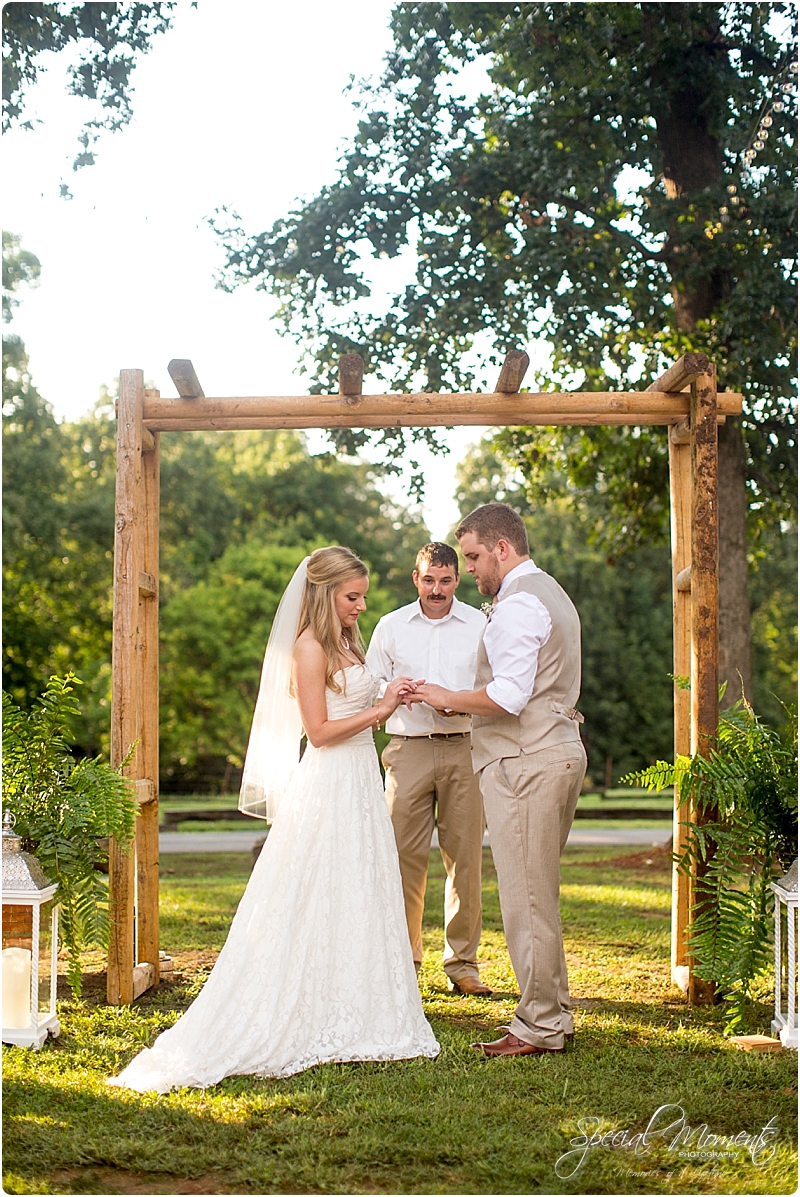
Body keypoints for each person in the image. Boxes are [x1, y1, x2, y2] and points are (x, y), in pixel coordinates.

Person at [108, 546, 439, 1093]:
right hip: (330, 781)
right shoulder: (308, 647)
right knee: (309, 894)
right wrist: (381, 711)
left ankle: (360, 1005)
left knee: (359, 890)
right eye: (352, 597)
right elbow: (320, 730)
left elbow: (349, 704)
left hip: (360, 782)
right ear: (324, 593)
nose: (361, 606)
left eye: (361, 596)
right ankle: (298, 1004)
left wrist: (389, 691)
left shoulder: (346, 641)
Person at [409, 504, 586, 1058]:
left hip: (525, 762)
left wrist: (443, 697)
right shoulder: (549, 592)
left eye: (474, 557)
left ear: (502, 549)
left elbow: (508, 696)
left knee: (526, 900)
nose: (472, 571)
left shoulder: (516, 604)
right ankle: (553, 1016)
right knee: (539, 895)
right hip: (550, 752)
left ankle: (538, 1026)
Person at [366, 542, 489, 995]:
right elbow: (370, 681)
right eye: (428, 580)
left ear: (457, 579)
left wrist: (455, 702)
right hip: (408, 748)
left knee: (465, 859)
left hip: (467, 748)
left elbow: (495, 685)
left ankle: (462, 965)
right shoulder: (391, 625)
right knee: (402, 857)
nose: (437, 590)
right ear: (415, 578)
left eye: (446, 580)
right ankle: (405, 960)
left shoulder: (480, 624)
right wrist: (394, 689)